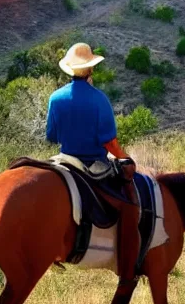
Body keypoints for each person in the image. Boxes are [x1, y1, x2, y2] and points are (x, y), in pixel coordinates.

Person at [47, 43, 140, 288]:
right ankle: (127, 262)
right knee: (130, 202)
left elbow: (52, 135)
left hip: (64, 159)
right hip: (94, 163)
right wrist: (125, 157)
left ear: (69, 70)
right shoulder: (99, 99)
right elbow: (109, 141)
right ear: (91, 70)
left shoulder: (55, 98)